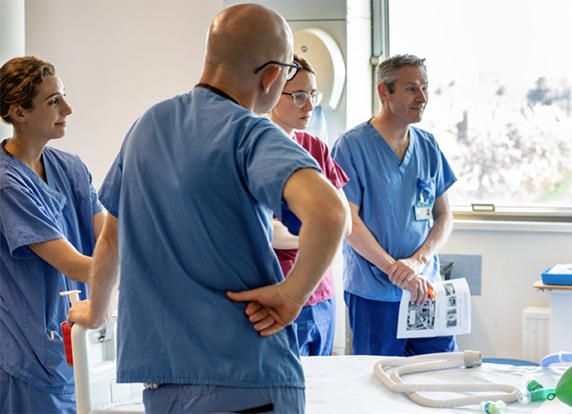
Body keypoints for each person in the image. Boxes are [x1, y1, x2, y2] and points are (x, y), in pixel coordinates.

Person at [67, 4, 348, 414]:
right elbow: (330, 212)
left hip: (164, 384)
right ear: (271, 76)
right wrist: (291, 295)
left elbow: (110, 242)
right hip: (247, 379)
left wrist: (95, 312)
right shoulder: (250, 132)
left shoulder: (147, 126)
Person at [331, 54, 457, 357]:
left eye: (425, 88)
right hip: (374, 291)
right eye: (411, 88)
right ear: (384, 92)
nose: (422, 97)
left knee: (441, 373)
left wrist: (417, 263)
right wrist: (395, 270)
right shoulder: (351, 147)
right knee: (378, 384)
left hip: (425, 288)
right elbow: (349, 223)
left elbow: (444, 216)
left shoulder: (428, 145)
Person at [0, 56, 105, 413]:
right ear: (19, 112)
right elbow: (76, 266)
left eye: (63, 96)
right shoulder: (7, 185)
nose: (68, 108)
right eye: (53, 101)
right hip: (28, 355)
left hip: (77, 346)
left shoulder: (70, 167)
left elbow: (109, 239)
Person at [268, 54, 352, 356]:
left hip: (323, 291)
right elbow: (267, 232)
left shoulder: (315, 147)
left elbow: (344, 222)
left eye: (313, 95)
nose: (310, 105)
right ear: (273, 92)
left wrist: (312, 231)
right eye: (300, 96)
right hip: (281, 288)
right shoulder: (254, 149)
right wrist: (320, 231)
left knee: (323, 388)